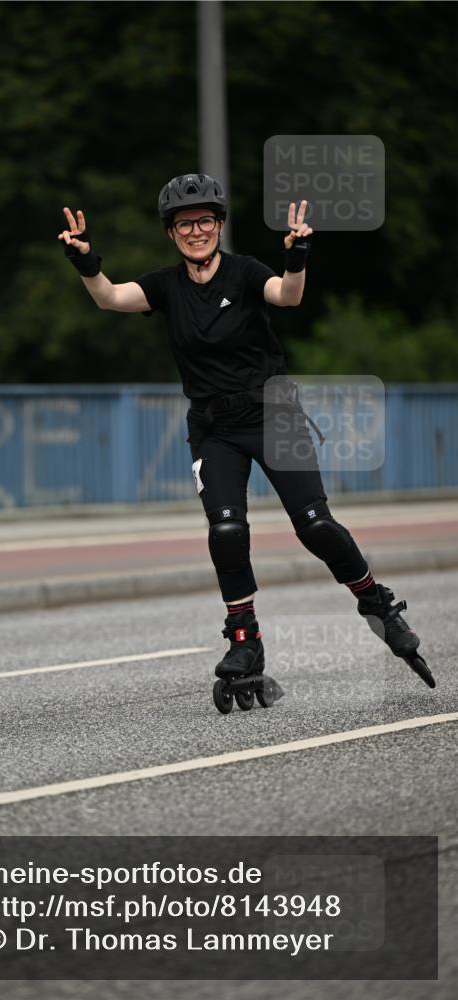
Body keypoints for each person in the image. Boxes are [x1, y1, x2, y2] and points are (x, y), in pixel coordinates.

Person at [57, 173, 434, 703]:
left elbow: (287, 295)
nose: (196, 231)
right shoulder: (166, 285)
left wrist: (298, 254)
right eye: (185, 224)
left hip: (273, 413)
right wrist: (86, 262)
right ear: (171, 233)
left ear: (219, 225)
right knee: (227, 531)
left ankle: (376, 600)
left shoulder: (245, 272)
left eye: (205, 221)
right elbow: (112, 298)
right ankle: (245, 639)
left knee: (316, 525)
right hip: (214, 428)